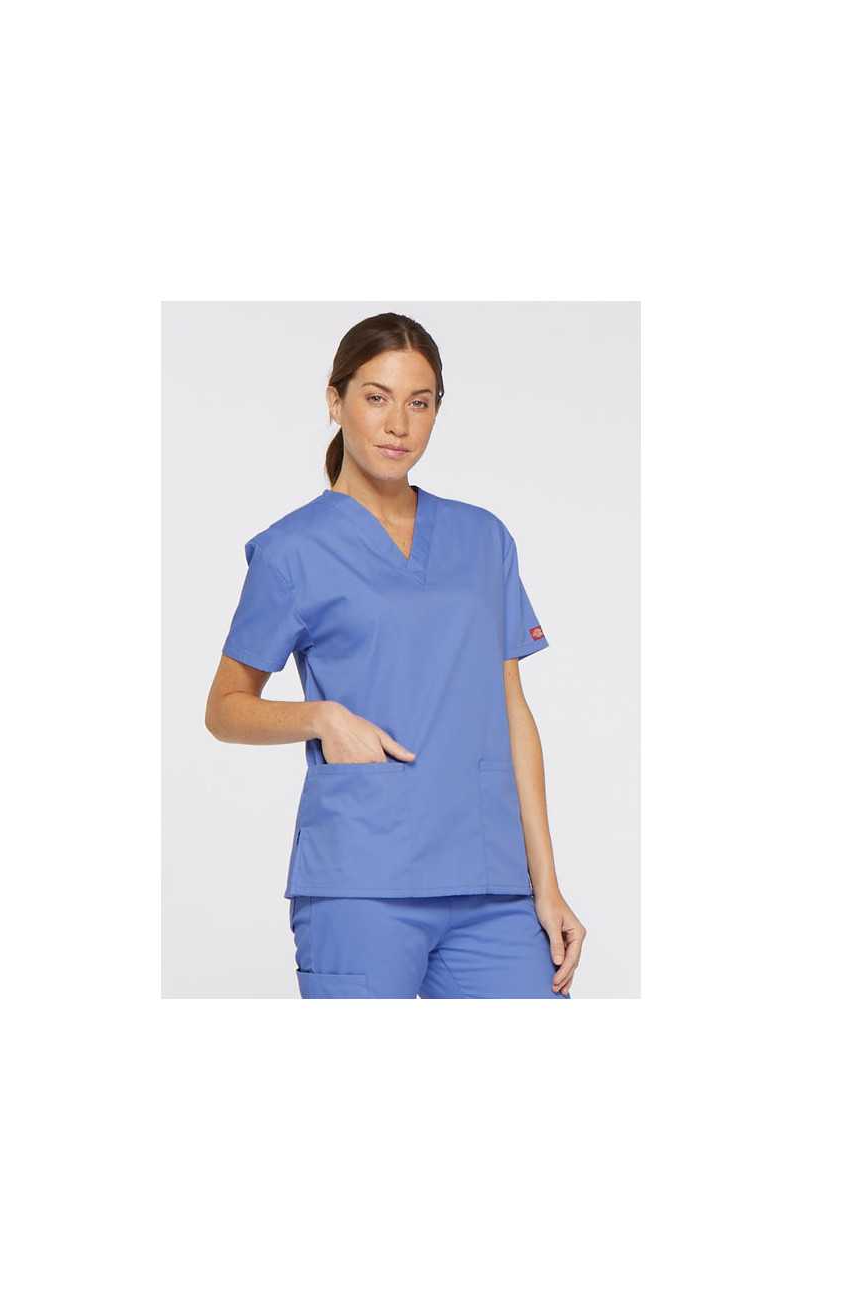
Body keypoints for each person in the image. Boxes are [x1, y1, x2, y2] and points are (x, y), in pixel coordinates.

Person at [205, 312, 586, 998]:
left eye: (420, 403)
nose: (398, 425)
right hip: (361, 882)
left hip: (493, 886)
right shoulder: (291, 551)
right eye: (376, 398)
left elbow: (513, 712)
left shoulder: (483, 539)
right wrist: (321, 717)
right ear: (336, 401)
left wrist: (547, 885)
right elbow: (225, 709)